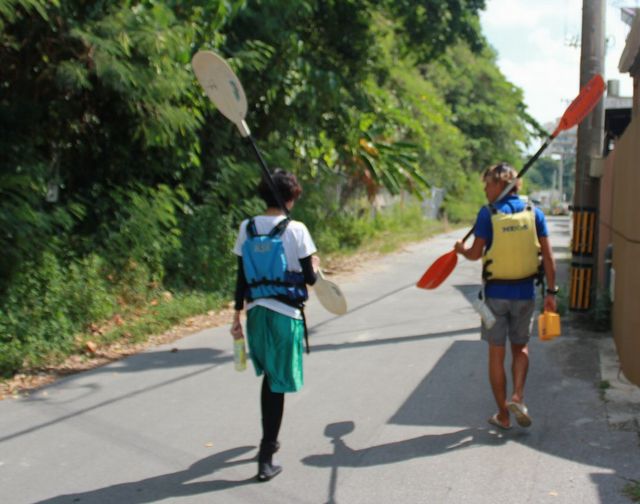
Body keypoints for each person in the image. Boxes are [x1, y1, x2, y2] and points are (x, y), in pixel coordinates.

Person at [231, 169, 319, 482]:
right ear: (291, 197)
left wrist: (235, 316)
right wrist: (317, 265)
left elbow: (242, 276)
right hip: (285, 316)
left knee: (269, 379)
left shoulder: (247, 227)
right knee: (277, 384)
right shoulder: (297, 230)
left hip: (256, 315)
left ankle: (269, 445)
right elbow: (310, 278)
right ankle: (267, 454)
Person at [454, 162, 557, 430]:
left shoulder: (487, 214)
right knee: (521, 347)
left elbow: (476, 254)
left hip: (494, 297)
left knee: (496, 355)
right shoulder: (534, 213)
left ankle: (503, 415)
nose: (485, 190)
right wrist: (552, 293)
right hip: (525, 294)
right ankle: (518, 397)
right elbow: (548, 257)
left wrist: (461, 250)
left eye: (488, 184)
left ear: (500, 184)